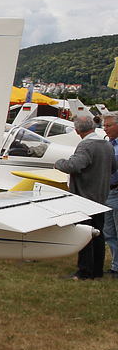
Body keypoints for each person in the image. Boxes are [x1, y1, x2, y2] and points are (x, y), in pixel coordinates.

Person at [54, 115, 116, 280]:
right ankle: (96, 271)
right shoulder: (107, 145)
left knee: (83, 234)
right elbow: (114, 167)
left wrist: (58, 162)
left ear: (77, 130)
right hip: (101, 197)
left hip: (85, 197)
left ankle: (84, 272)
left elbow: (73, 165)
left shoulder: (87, 145)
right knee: (98, 234)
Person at [102, 114, 118, 278]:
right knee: (109, 232)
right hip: (108, 191)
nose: (105, 129)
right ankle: (116, 266)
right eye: (104, 126)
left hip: (116, 192)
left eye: (108, 126)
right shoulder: (109, 145)